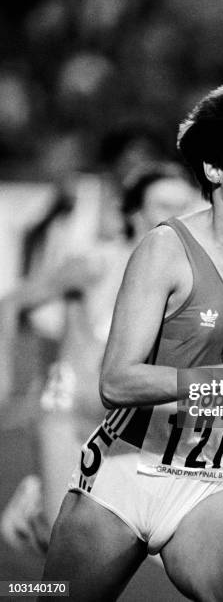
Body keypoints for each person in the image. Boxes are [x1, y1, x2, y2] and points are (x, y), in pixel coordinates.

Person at [41, 81, 223, 602]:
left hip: (210, 484)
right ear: (213, 169)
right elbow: (116, 381)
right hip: (123, 476)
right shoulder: (165, 249)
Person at [0, 163, 199, 555]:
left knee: (115, 544)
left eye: (183, 205)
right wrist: (3, 371)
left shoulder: (182, 278)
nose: (174, 216)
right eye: (162, 204)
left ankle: (38, 505)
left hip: (122, 426)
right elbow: (12, 302)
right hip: (67, 411)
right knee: (70, 548)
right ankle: (38, 512)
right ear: (134, 211)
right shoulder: (96, 264)